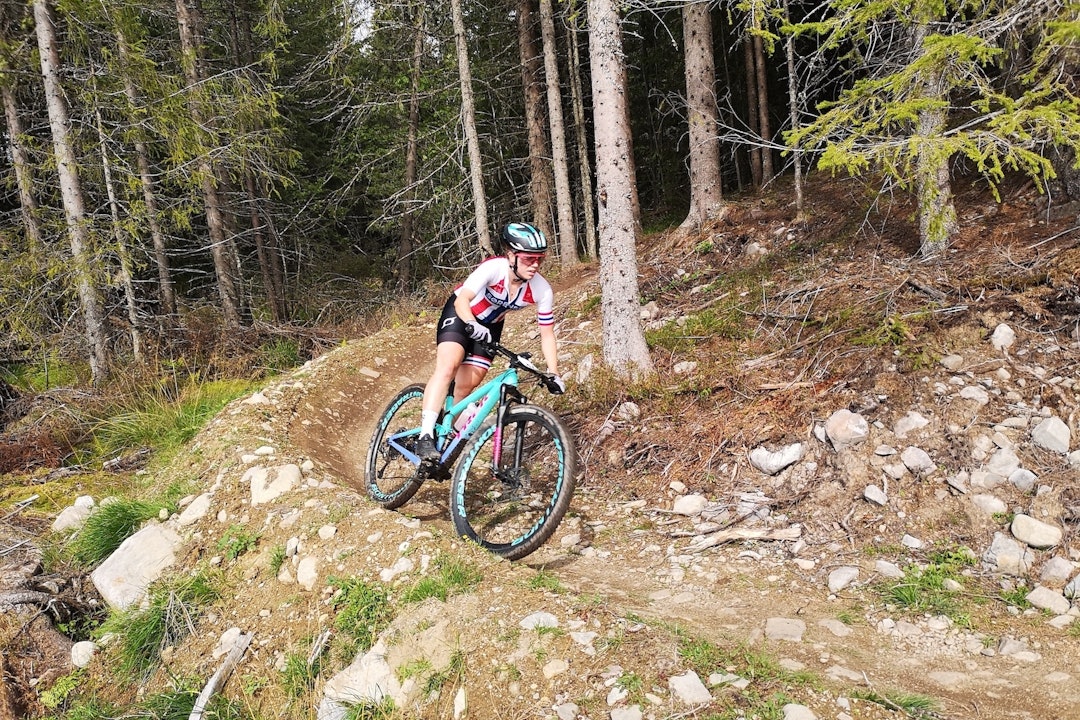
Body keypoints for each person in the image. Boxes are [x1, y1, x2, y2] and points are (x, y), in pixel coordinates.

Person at [416, 222, 565, 460]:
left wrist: (554, 373)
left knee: (466, 386)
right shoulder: (494, 268)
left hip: (490, 326)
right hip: (460, 314)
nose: (535, 265)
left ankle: (445, 436)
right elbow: (462, 300)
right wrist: (470, 322)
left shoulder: (541, 289)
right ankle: (425, 437)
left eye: (540, 259)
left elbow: (547, 333)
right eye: (529, 259)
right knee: (448, 366)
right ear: (511, 256)